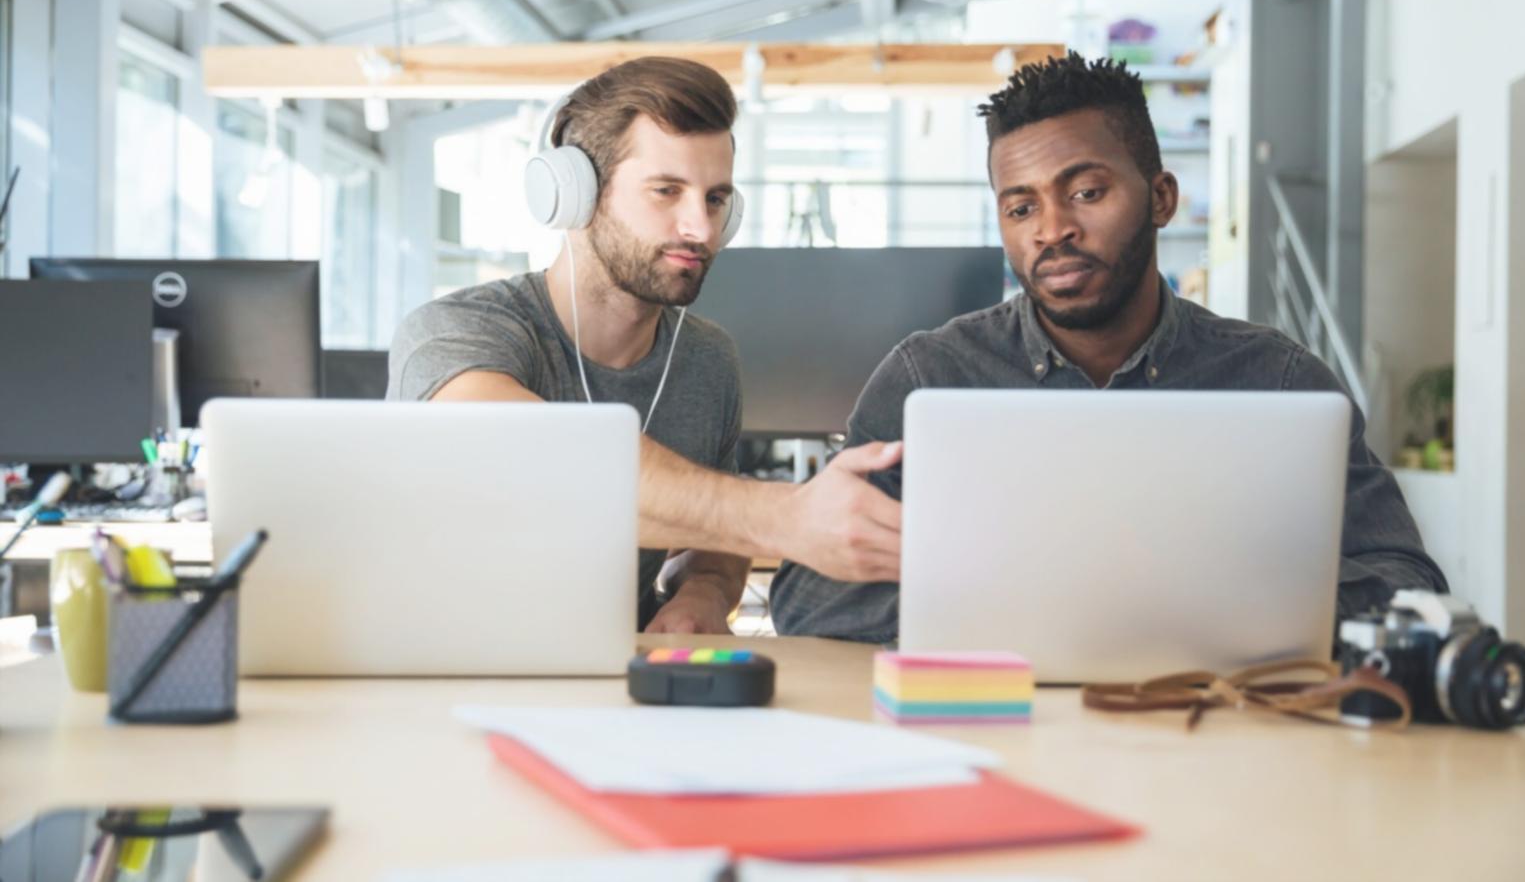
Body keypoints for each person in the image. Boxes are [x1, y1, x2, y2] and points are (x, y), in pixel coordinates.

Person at [770, 53, 1448, 643]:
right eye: (1021, 208)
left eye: (1087, 192)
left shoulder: (1277, 380)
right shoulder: (929, 376)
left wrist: (1225, 600)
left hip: (1213, 741)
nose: (1053, 230)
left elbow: (1408, 583)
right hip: (995, 735)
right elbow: (807, 597)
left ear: (1160, 197)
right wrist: (1049, 595)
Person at [388, 57, 903, 633]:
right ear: (575, 195)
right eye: (666, 191)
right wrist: (790, 516)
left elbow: (711, 535)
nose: (702, 229)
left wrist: (705, 593)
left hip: (619, 680)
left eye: (715, 199)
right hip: (441, 676)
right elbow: (535, 465)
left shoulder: (707, 359)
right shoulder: (455, 332)